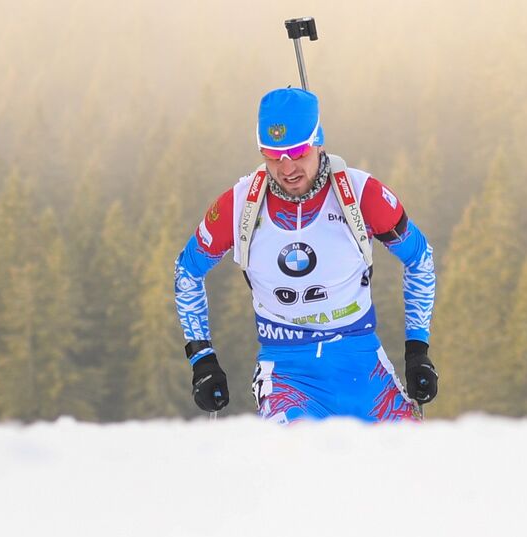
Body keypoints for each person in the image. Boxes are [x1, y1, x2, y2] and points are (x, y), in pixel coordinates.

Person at [173, 87, 438, 423]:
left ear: (318, 141)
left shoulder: (360, 194)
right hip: (288, 373)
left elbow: (420, 258)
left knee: (410, 467)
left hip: (364, 368)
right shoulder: (239, 205)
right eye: (272, 155)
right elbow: (187, 272)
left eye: (297, 152)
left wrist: (418, 350)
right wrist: (202, 360)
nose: (287, 169)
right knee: (299, 466)